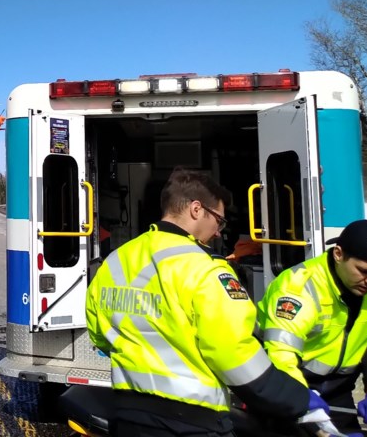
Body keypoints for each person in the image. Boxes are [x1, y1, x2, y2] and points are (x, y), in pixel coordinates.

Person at [86, 167, 329, 437]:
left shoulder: (116, 260)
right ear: (196, 209)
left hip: (127, 416)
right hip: (191, 422)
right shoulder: (206, 268)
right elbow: (232, 352)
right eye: (219, 221)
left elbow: (100, 335)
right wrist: (295, 399)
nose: (217, 232)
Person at [256, 218, 367, 434]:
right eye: (364, 272)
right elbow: (281, 353)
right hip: (292, 384)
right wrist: (299, 395)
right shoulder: (298, 289)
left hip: (338, 389)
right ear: (338, 254)